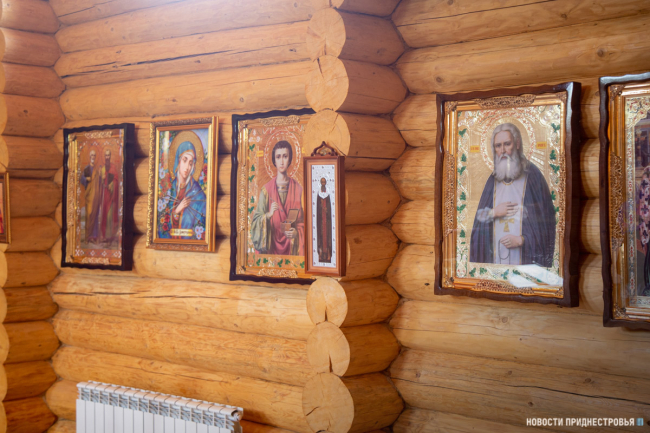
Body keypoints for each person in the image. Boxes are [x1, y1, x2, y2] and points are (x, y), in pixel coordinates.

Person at [469, 123, 556, 267]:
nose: (502, 150)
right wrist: (494, 212)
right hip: (495, 263)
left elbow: (546, 224)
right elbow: (477, 228)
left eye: (507, 144)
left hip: (526, 264)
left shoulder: (533, 177)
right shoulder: (492, 181)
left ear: (517, 144)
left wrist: (522, 240)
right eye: (498, 146)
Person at [251, 140, 304, 256]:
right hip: (271, 247)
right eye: (278, 157)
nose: (282, 161)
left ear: (290, 159)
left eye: (285, 156)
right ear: (274, 161)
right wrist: (268, 215)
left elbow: (304, 222)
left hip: (291, 247)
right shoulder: (266, 190)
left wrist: (296, 233)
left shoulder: (298, 189)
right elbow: (255, 221)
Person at [157, 141, 207, 240]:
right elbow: (161, 225)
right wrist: (177, 211)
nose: (187, 167)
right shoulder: (170, 189)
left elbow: (202, 221)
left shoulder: (198, 193)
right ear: (178, 161)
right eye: (184, 160)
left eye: (190, 163)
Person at [97, 149, 120, 247]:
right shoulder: (102, 169)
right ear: (104, 157)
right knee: (104, 215)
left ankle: (110, 237)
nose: (107, 157)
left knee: (110, 215)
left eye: (108, 155)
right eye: (106, 155)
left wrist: (112, 184)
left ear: (110, 156)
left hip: (111, 195)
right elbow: (100, 184)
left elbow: (116, 180)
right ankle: (104, 237)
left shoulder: (113, 167)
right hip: (104, 195)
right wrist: (100, 178)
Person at [80, 149, 100, 244]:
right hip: (89, 196)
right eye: (92, 155)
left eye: (94, 155)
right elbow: (82, 179)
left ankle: (93, 237)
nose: (93, 157)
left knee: (95, 216)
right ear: (89, 157)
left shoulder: (97, 170)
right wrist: (86, 179)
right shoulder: (87, 168)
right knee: (89, 215)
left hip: (96, 197)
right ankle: (87, 237)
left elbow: (99, 183)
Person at [316, 177, 332, 263]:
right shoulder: (318, 194)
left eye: (324, 182)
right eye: (321, 182)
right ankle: (321, 254)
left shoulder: (328, 194)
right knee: (321, 235)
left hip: (327, 220)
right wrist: (321, 208)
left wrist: (327, 210)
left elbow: (330, 206)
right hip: (321, 220)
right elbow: (317, 207)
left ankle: (328, 254)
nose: (323, 183)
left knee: (328, 235)